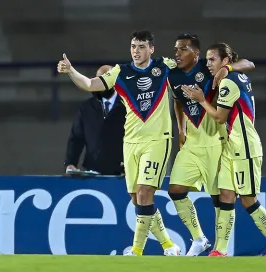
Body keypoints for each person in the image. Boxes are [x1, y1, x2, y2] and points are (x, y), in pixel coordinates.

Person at [58, 30, 180, 256]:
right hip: (131, 142)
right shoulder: (120, 72)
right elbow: (89, 84)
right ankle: (168, 245)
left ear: (151, 49)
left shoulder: (165, 67)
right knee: (138, 200)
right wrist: (71, 71)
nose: (136, 51)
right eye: (133, 46)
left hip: (157, 141)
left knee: (144, 193)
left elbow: (192, 66)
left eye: (142, 46)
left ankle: (136, 250)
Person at [182, 42, 266, 257]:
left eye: (213, 59)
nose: (209, 63)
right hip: (232, 147)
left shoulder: (229, 82)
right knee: (226, 195)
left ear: (225, 61)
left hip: (245, 147)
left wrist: (201, 100)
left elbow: (220, 117)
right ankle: (220, 251)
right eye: (208, 59)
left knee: (248, 199)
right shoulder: (236, 76)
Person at [167, 34, 255, 256]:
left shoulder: (209, 69)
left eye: (182, 49)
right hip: (192, 144)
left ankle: (220, 248)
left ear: (195, 54)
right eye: (176, 49)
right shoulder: (172, 76)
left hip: (215, 142)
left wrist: (228, 69)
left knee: (219, 199)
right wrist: (181, 129)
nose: (177, 53)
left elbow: (249, 64)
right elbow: (178, 101)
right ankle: (199, 238)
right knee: (175, 190)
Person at [64, 65, 126, 176]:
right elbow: (76, 138)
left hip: (122, 175)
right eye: (98, 79)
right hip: (92, 173)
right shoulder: (86, 108)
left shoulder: (129, 107)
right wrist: (70, 163)